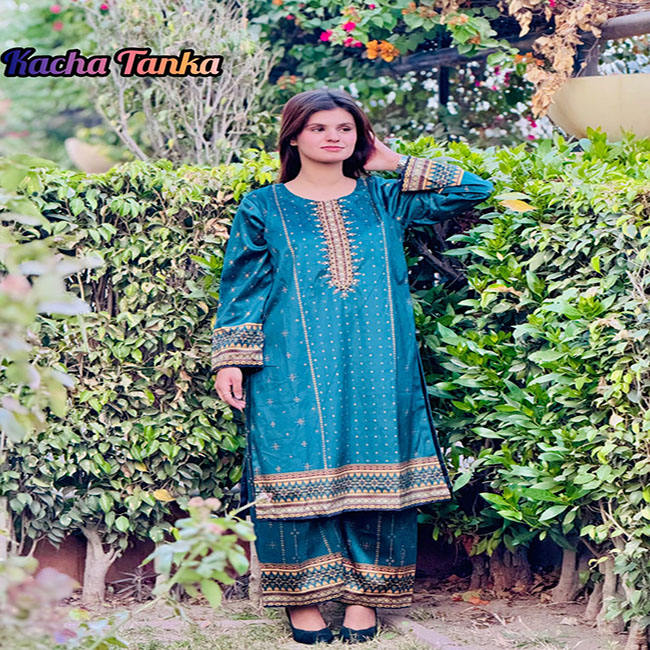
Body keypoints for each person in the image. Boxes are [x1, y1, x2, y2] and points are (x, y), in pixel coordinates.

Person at [212, 88, 493, 644]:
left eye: (345, 128)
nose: (333, 137)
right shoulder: (264, 206)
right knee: (292, 469)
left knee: (381, 471)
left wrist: (393, 161)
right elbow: (243, 287)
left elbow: (473, 189)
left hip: (378, 360)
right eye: (319, 128)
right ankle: (302, 603)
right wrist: (232, 360)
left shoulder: (383, 198)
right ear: (294, 136)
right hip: (290, 364)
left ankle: (367, 600)